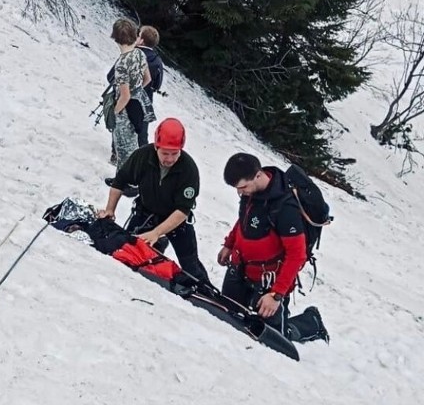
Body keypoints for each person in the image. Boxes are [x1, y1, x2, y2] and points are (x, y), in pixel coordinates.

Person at [218, 153, 329, 343]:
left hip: (269, 283)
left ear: (258, 175)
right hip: (241, 269)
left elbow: (297, 254)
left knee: (273, 337)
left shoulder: (284, 207)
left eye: (243, 187)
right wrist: (229, 244)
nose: (240, 193)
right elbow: (245, 220)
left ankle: (311, 322)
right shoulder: (250, 192)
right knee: (227, 317)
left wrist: (276, 295)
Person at [98, 117, 211, 285]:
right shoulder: (143, 156)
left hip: (176, 221)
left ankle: (205, 293)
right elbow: (120, 180)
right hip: (146, 213)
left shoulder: (188, 168)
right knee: (129, 250)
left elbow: (183, 210)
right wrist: (110, 209)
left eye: (175, 153)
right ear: (156, 147)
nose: (170, 159)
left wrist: (157, 233)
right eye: (165, 153)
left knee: (191, 266)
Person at [108, 17, 154, 167]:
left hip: (125, 110)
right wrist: (136, 91)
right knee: (132, 145)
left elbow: (125, 95)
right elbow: (147, 79)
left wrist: (114, 112)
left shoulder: (121, 64)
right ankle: (122, 180)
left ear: (116, 38)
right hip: (138, 105)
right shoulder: (140, 54)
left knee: (122, 149)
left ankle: (127, 184)